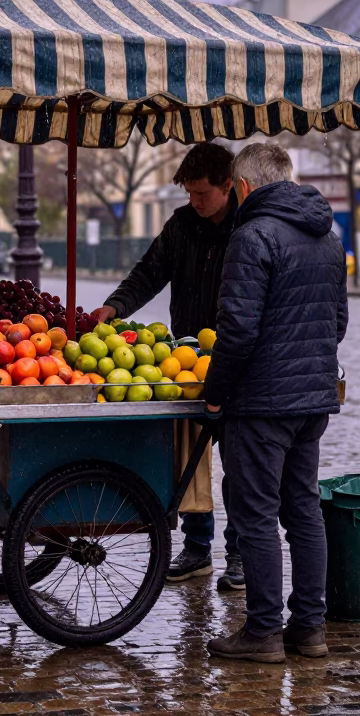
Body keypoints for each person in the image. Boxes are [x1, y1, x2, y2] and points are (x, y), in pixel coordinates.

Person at [203, 142, 348, 664]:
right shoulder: (328, 238)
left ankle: (263, 632)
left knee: (257, 514)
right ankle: (310, 629)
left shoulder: (252, 236)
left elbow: (236, 332)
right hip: (312, 399)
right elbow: (338, 325)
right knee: (303, 510)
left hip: (261, 403)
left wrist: (214, 395)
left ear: (242, 188)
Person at [89, 143, 243, 591]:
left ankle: (240, 554)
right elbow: (148, 272)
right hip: (184, 362)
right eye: (190, 193)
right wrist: (114, 307)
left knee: (239, 464)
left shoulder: (247, 228)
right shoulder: (182, 226)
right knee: (189, 460)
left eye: (201, 194)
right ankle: (197, 548)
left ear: (227, 186)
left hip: (234, 360)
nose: (194, 202)